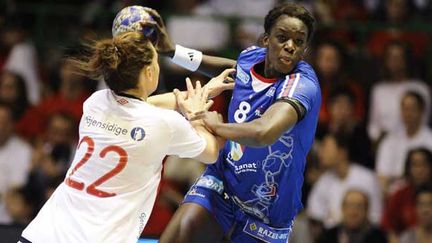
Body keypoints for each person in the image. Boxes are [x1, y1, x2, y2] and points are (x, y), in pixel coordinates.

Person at [19, 31, 233, 243]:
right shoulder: (165, 124)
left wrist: (201, 92)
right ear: (149, 72)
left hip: (43, 233)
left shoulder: (96, 102)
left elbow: (139, 105)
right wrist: (196, 115)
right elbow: (212, 152)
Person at [147, 3, 321, 242]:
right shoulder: (251, 58)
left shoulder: (302, 86)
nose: (290, 46)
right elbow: (229, 67)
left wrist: (216, 126)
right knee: (182, 231)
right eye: (282, 38)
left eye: (298, 42)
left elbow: (264, 132)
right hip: (224, 183)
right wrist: (171, 51)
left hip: (266, 210)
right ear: (266, 39)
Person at [307, 132, 382, 228]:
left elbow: (375, 218)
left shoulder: (367, 178)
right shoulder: (323, 181)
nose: (321, 153)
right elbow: (314, 216)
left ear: (342, 152)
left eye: (326, 148)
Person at [317, 189, 388, 243]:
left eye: (359, 206)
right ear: (343, 209)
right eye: (349, 206)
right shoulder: (329, 236)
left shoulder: (378, 237)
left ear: (366, 211)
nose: (353, 212)